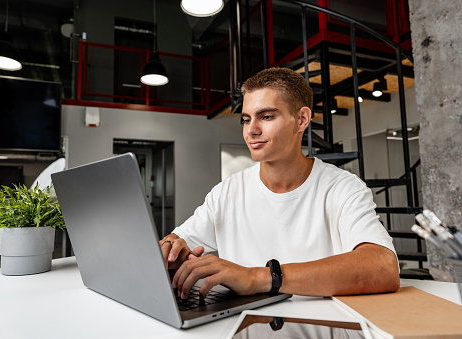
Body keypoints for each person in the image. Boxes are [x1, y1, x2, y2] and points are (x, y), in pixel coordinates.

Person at [160, 67, 400, 300]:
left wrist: (258, 277)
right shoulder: (226, 192)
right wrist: (171, 251)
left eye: (266, 116)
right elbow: (178, 240)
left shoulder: (342, 188)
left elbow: (382, 267)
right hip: (242, 327)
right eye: (246, 119)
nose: (251, 130)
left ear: (301, 120)